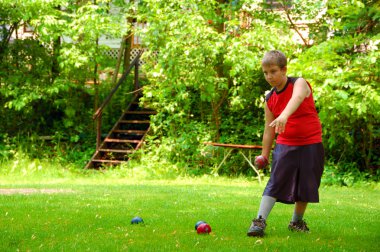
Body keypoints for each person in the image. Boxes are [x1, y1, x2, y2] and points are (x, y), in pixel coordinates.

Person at [247, 50, 324, 237]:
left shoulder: (299, 83)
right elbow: (269, 128)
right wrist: (264, 155)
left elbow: (297, 98)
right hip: (285, 144)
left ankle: (296, 222)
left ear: (284, 70)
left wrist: (284, 116)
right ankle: (259, 221)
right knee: (275, 181)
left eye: (273, 71)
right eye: (265, 73)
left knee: (306, 183)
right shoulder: (269, 98)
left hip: (311, 142)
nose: (269, 76)